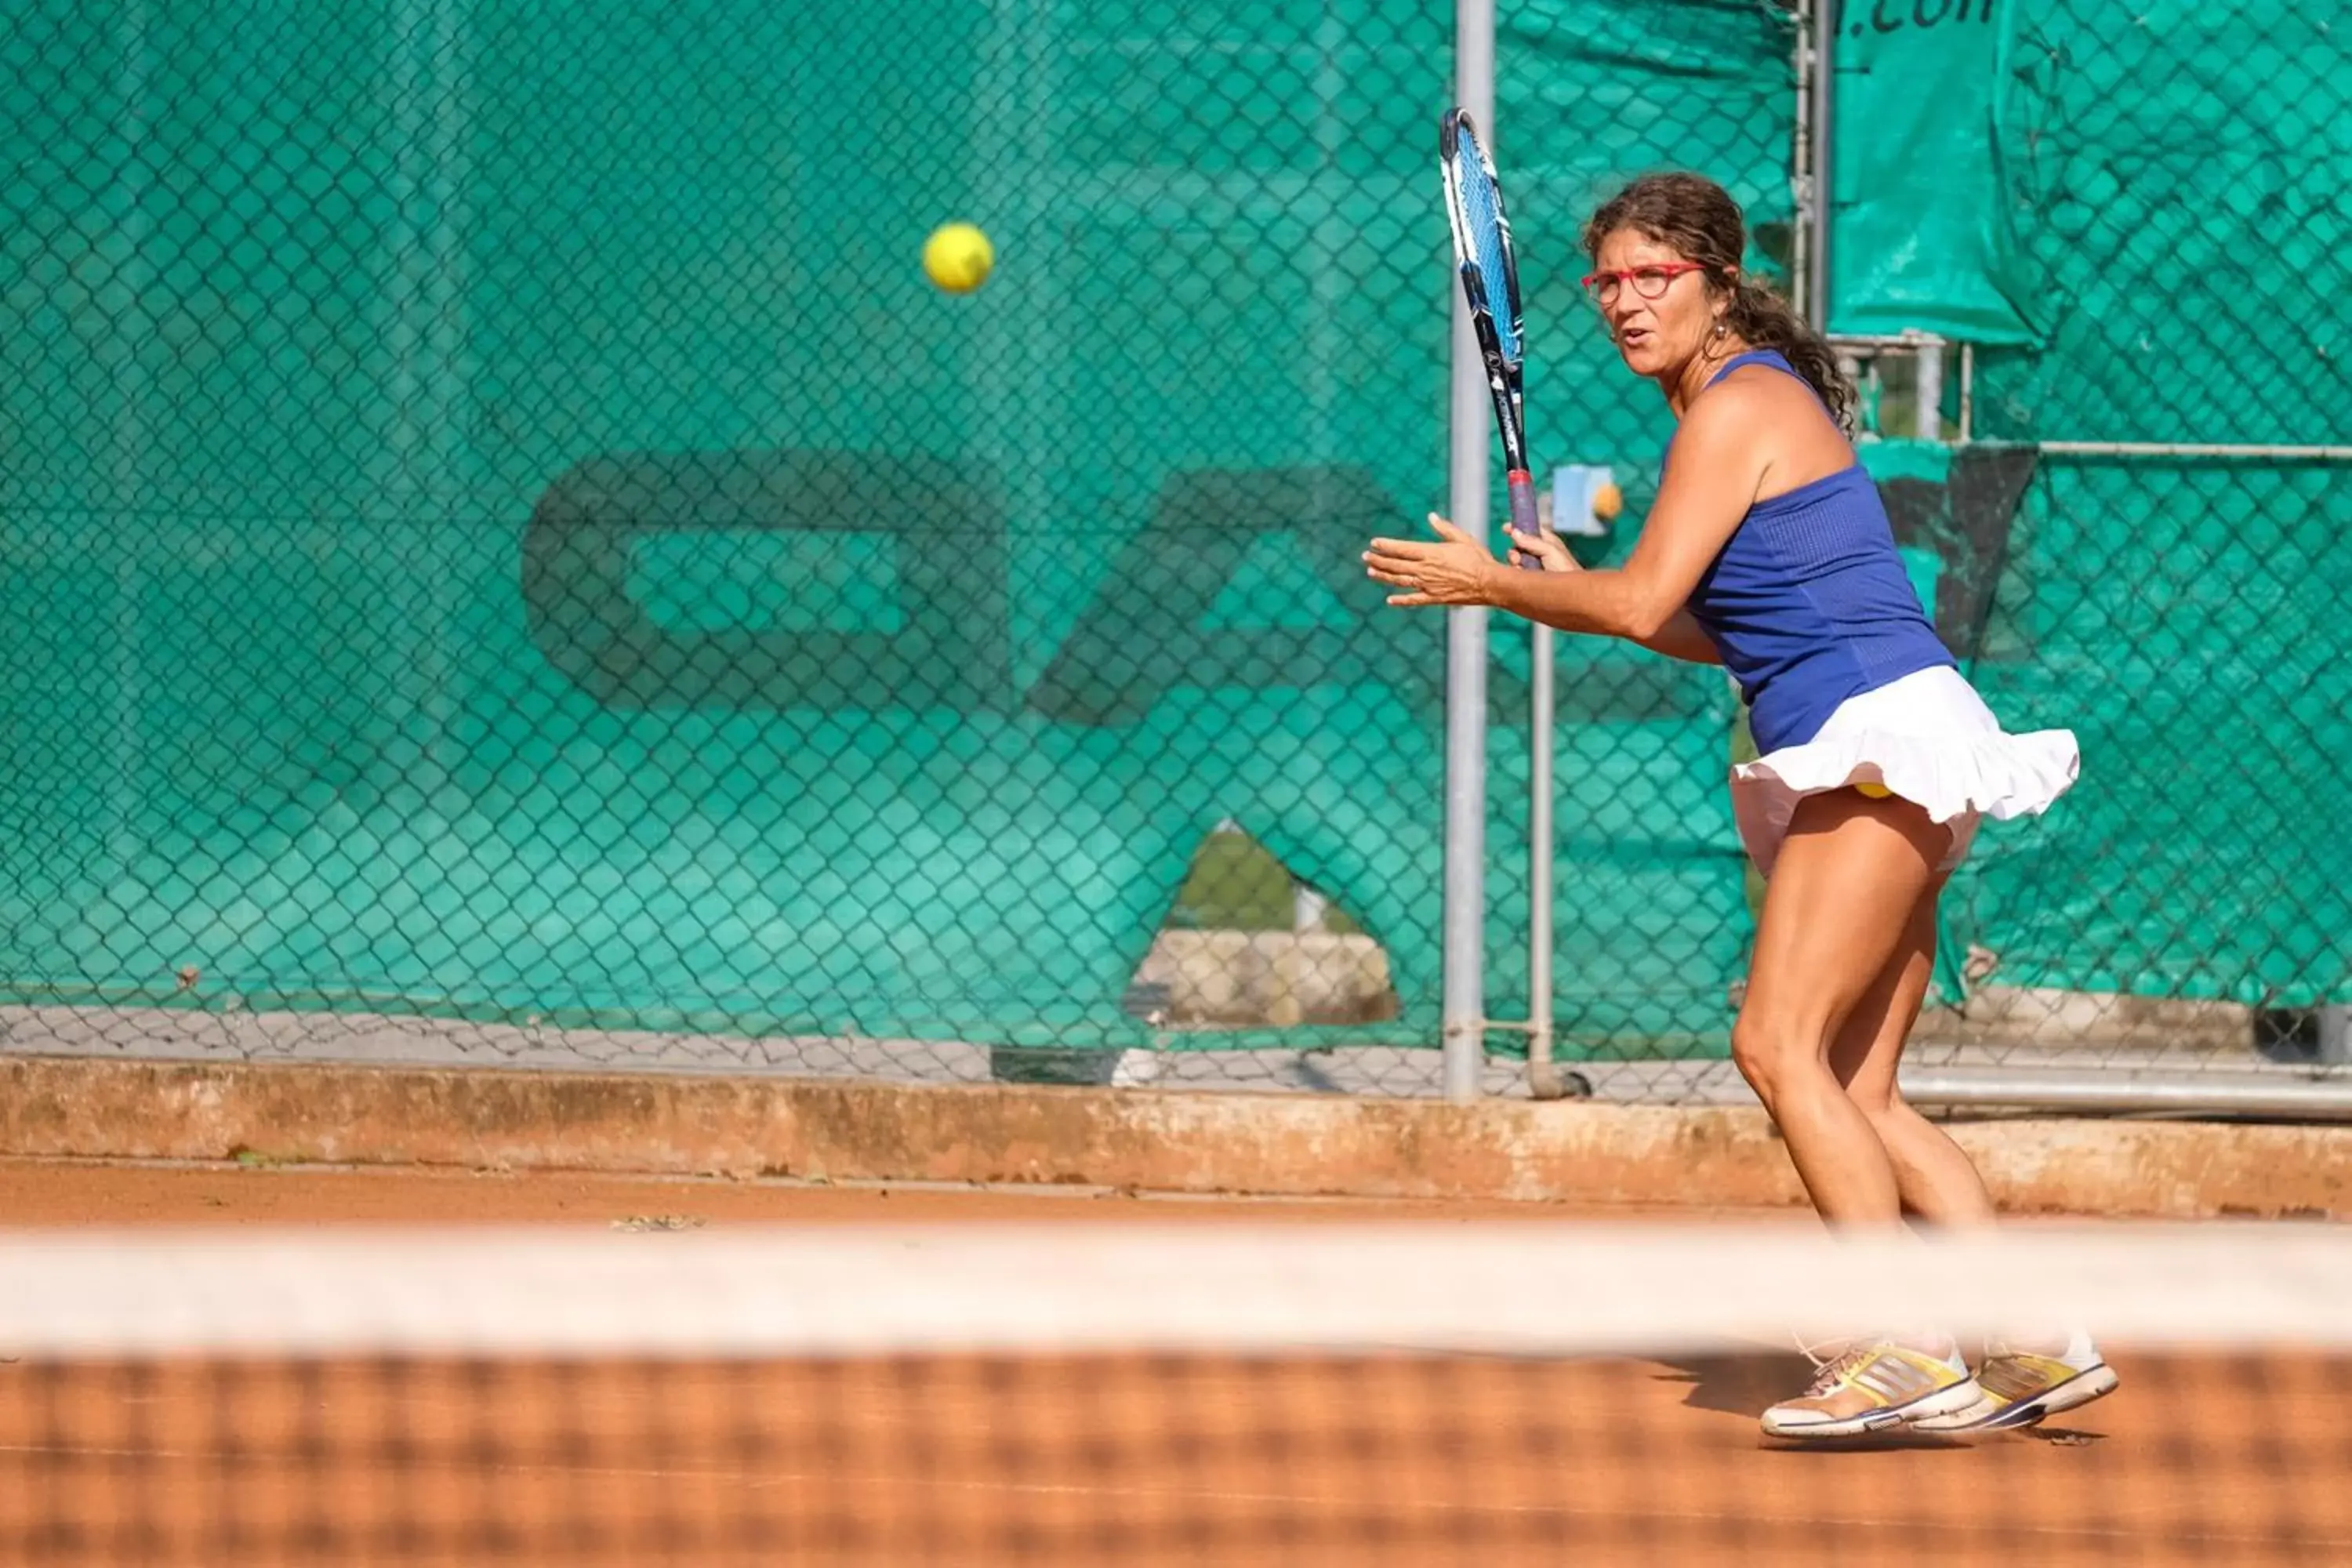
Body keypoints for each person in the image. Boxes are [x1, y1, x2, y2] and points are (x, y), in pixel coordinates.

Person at [1364, 172, 2114, 1440]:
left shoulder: (1733, 407)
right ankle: (2027, 1337)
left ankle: (1903, 1345)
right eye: (1606, 280)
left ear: (1717, 281)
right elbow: (1721, 633)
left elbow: (1644, 603)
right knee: (1861, 1094)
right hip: (1910, 742)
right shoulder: (1750, 402)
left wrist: (1495, 580)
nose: (1623, 301)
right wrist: (1575, 582)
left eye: (1653, 275)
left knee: (1774, 1045)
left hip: (1878, 749)